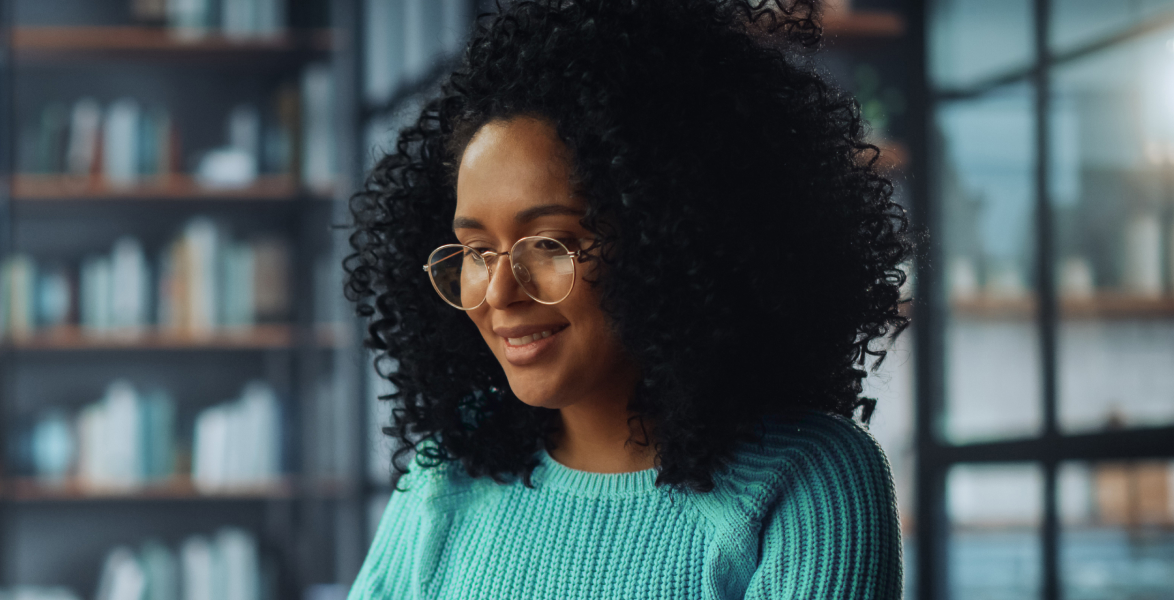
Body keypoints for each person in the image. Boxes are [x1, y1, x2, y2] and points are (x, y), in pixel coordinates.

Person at [342, 0, 915, 597]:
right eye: (477, 250)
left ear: (673, 238)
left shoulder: (807, 480)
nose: (499, 291)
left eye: (552, 243)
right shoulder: (450, 472)